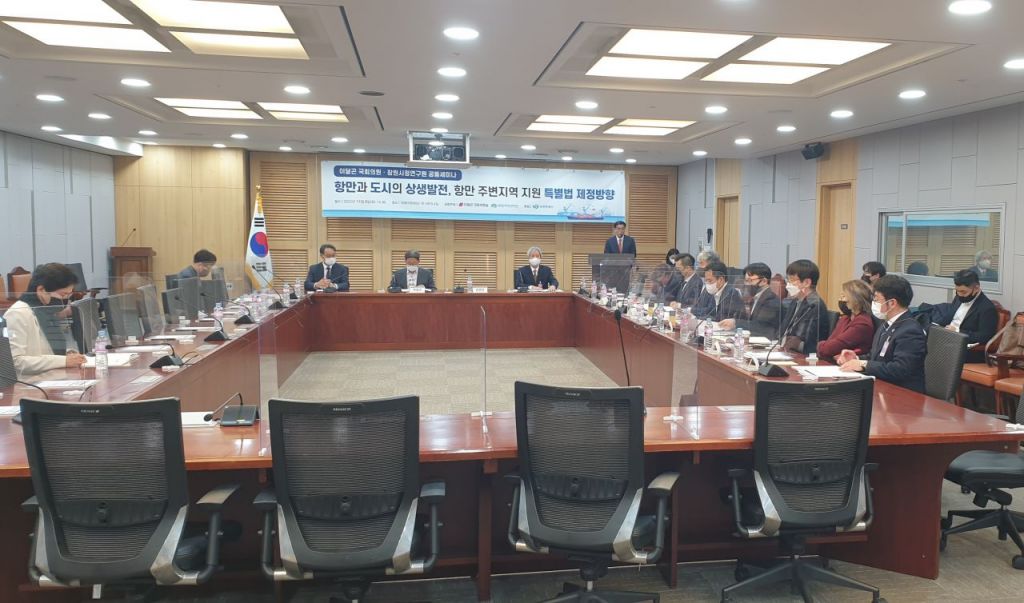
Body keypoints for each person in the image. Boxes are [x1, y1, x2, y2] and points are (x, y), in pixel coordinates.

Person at [839, 275, 927, 393]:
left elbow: (900, 369)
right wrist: (856, 358)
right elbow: (876, 356)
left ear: (892, 303)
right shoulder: (886, 324)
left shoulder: (910, 330)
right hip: (883, 386)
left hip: (904, 393)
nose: (873, 303)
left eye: (876, 299)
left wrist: (864, 364)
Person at [4, 263, 86, 375]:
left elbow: (44, 351)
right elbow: (15, 362)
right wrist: (63, 361)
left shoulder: (44, 309)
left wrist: (68, 354)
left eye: (68, 296)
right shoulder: (18, 313)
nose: (65, 301)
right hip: (30, 382)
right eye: (63, 295)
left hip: (52, 377)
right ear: (41, 289)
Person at [931, 269, 997, 363]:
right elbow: (948, 318)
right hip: (947, 339)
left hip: (966, 348)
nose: (959, 295)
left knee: (931, 352)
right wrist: (936, 326)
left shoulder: (987, 308)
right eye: (957, 291)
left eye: (963, 292)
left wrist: (957, 332)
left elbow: (984, 336)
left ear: (976, 288)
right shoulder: (959, 298)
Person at [816, 280, 876, 363]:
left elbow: (828, 349)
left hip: (850, 366)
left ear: (856, 300)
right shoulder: (846, 318)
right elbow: (829, 344)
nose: (842, 299)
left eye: (844, 296)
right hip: (834, 363)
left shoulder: (862, 324)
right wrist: (823, 346)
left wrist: (821, 345)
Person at [780, 259, 830, 354]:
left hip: (804, 356)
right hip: (787, 351)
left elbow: (805, 342)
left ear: (807, 283)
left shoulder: (814, 305)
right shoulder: (796, 301)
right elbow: (783, 331)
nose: (788, 285)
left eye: (792, 280)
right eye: (788, 280)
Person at [720, 262, 781, 339]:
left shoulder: (771, 300)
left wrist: (735, 323)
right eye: (745, 281)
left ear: (764, 281)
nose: (746, 284)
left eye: (750, 280)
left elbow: (760, 326)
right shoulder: (754, 298)